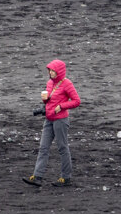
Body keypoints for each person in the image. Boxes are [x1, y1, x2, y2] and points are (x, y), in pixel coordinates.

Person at [23, 59, 81, 188]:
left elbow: (77, 101)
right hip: (49, 119)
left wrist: (62, 106)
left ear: (59, 71)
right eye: (49, 70)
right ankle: (37, 177)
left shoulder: (67, 84)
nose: (51, 72)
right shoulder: (49, 83)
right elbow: (49, 101)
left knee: (62, 148)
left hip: (61, 120)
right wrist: (46, 101)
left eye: (53, 70)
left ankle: (66, 178)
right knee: (43, 148)